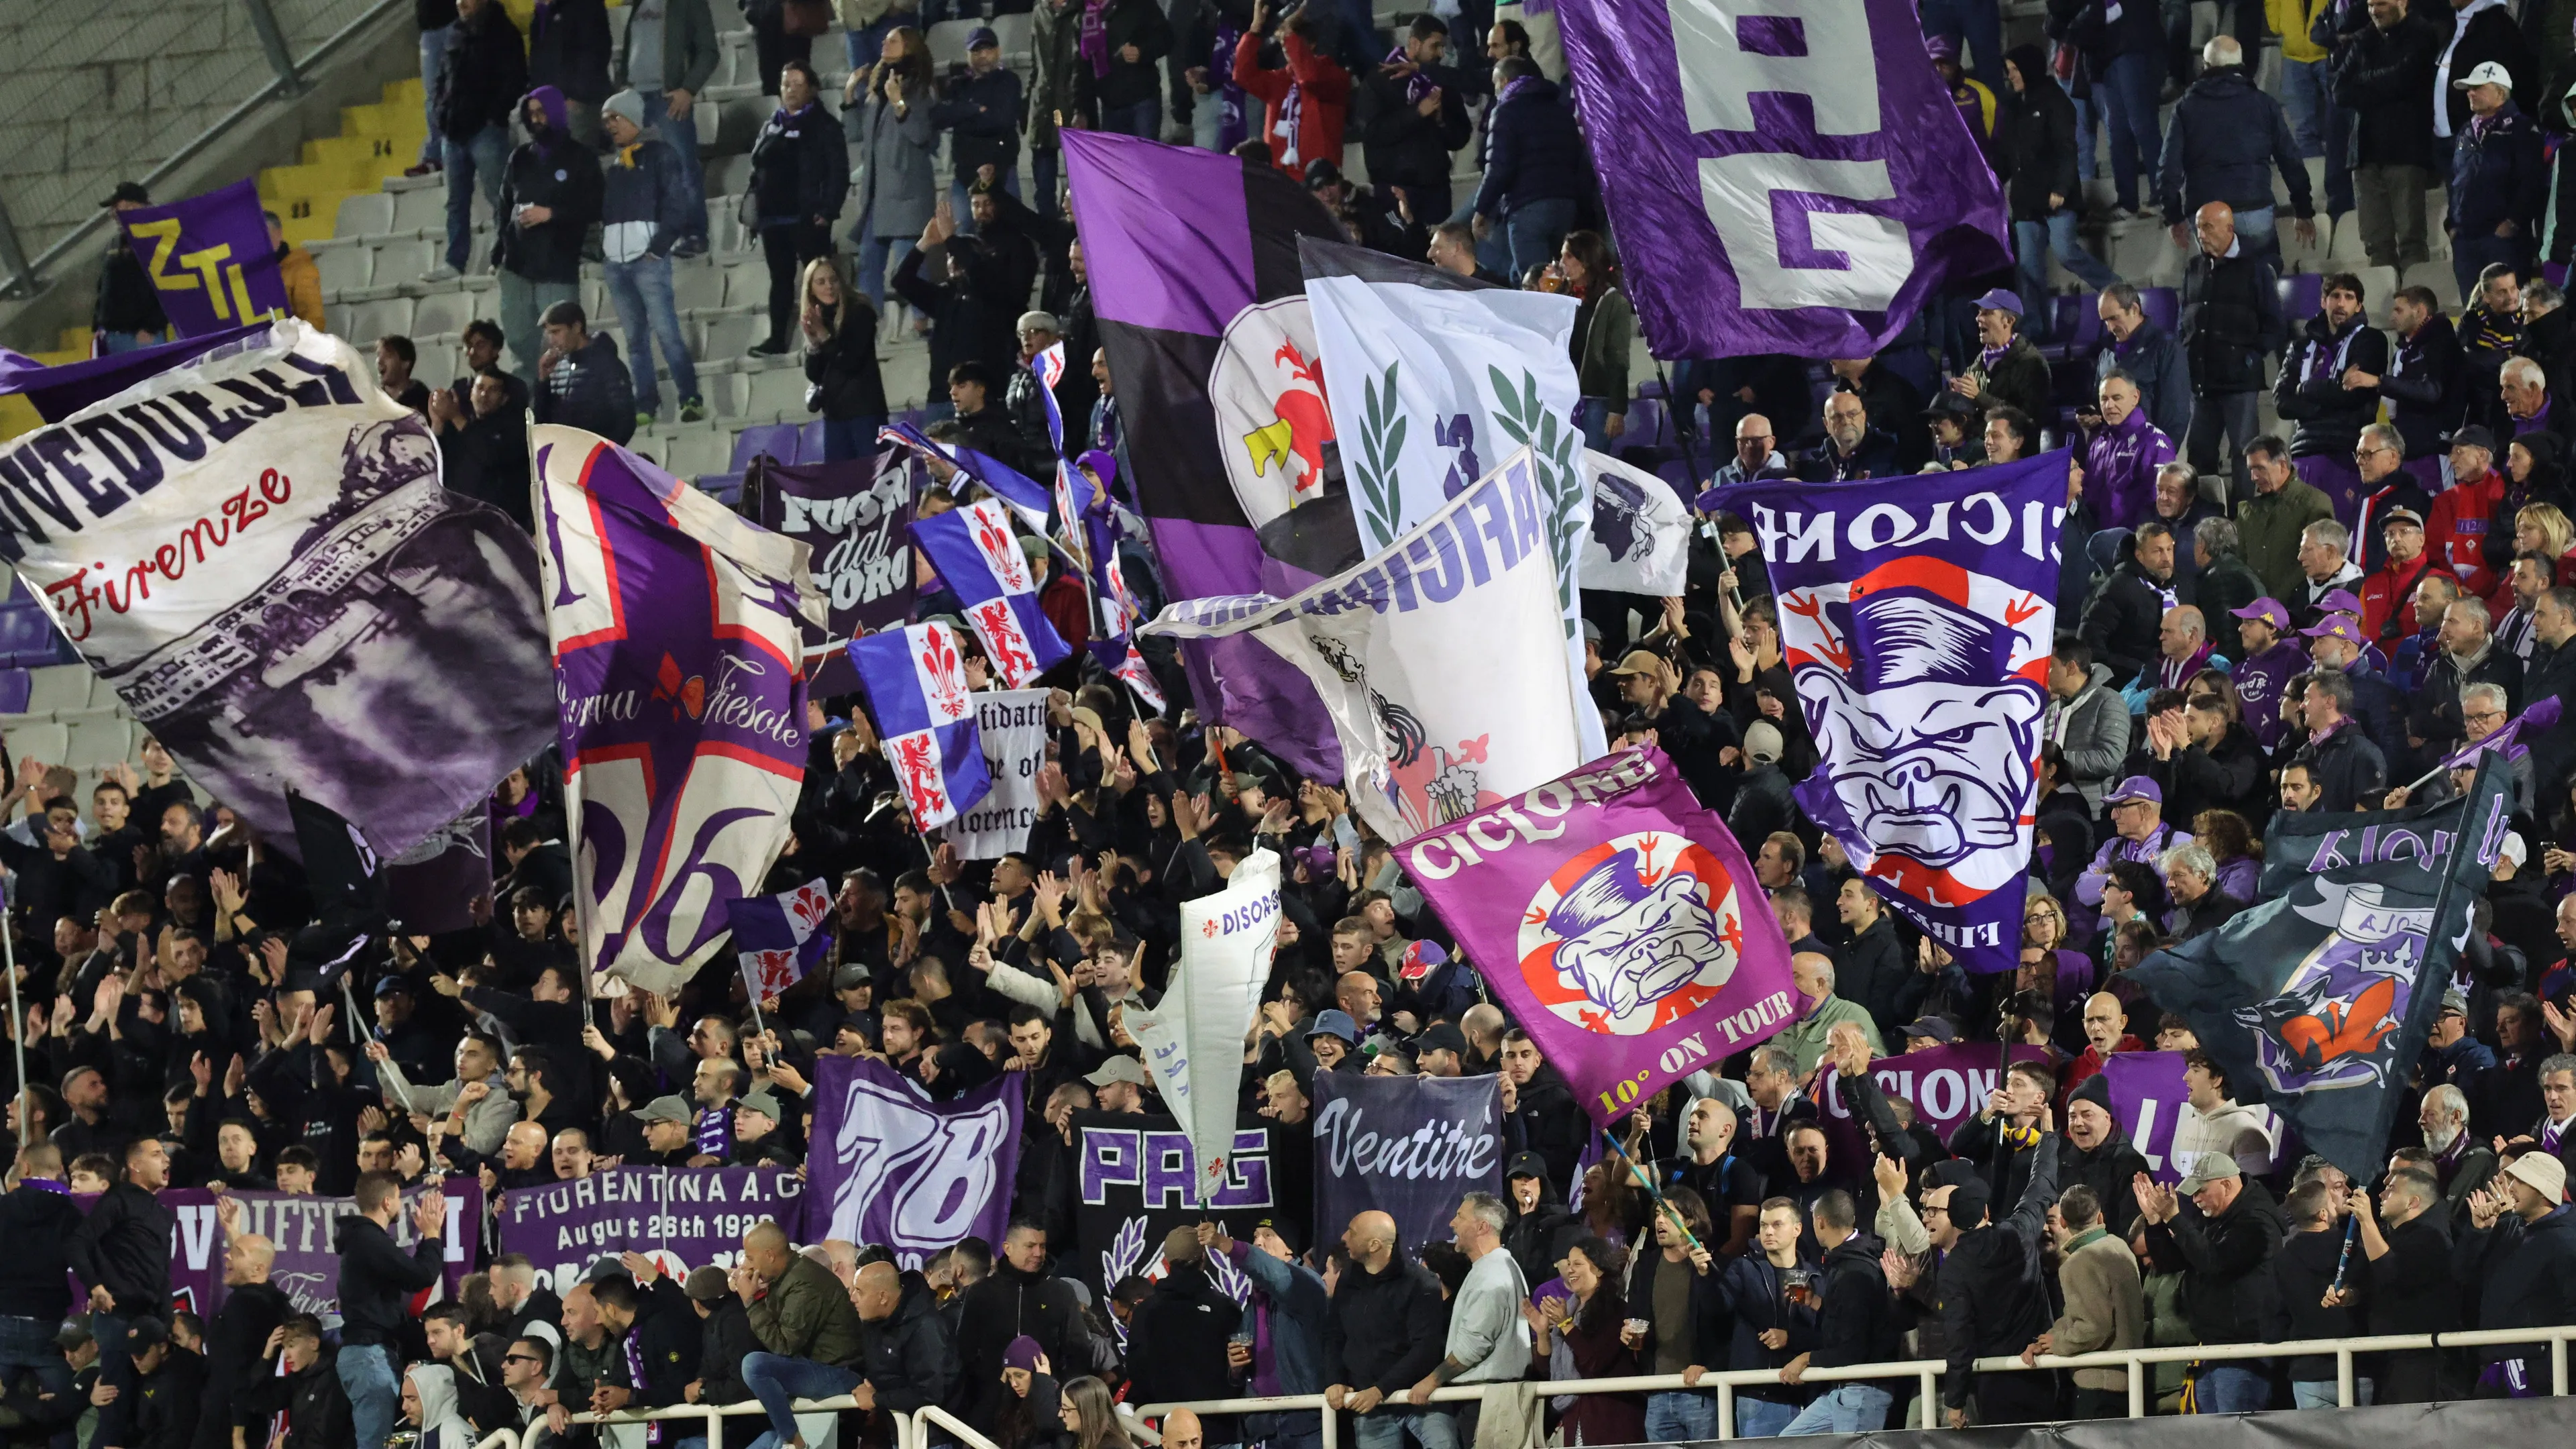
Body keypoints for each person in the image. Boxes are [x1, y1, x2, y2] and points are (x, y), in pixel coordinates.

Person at [1929, 1122, 2060, 1427]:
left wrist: (1955, 1404)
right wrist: (2049, 1136)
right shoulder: (2021, 1232)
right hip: (2042, 1373)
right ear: (1986, 1213)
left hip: (1995, 1383)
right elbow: (2042, 1184)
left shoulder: (1952, 1273)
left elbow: (1958, 1338)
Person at [598, 89, 706, 428]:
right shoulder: (613, 166)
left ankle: (690, 396)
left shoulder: (661, 154)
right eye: (606, 121)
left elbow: (677, 204)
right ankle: (645, 401)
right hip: (617, 264)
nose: (610, 126)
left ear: (632, 117)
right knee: (634, 339)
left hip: (648, 261)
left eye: (615, 118)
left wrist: (657, 250)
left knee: (666, 333)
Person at [2159, 37, 2318, 264]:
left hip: (2208, 214)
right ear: (2241, 65)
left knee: (2223, 291)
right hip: (2255, 211)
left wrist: (2174, 217)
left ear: (2206, 67)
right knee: (2264, 284)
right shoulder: (2264, 104)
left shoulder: (2186, 108)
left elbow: (2168, 170)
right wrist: (2303, 209)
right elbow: (2290, 161)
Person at [334, 1171, 449, 1449]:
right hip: (369, 1356)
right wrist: (432, 1235)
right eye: (398, 1199)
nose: (400, 1205)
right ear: (387, 1203)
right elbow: (420, 1276)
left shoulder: (362, 1240)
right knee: (376, 1444)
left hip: (366, 1354)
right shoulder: (368, 1239)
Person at [2180, 202, 2287, 495]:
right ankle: (2205, 524)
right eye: (2199, 227)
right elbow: (2184, 320)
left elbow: (2275, 326)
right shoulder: (2193, 268)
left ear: (2230, 228)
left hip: (2239, 383)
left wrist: (2250, 359)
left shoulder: (2256, 269)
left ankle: (2242, 521)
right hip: (2201, 383)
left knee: (2244, 456)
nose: (2201, 234)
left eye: (2208, 226)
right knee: (2199, 456)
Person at [1997, 46, 2118, 304]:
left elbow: (2066, 148)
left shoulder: (2055, 100)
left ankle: (2118, 291)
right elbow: (2007, 154)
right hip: (2025, 201)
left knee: (2066, 253)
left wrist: (2062, 189)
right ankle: (2036, 329)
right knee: (2029, 270)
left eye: (2016, 70)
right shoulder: (2010, 106)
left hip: (2056, 197)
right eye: (2009, 71)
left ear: (2029, 70)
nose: (2011, 76)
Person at [493, 86, 601, 372]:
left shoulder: (580, 158)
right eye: (531, 114)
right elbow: (504, 207)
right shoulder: (520, 158)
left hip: (557, 265)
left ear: (555, 113)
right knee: (519, 341)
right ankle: (531, 409)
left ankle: (565, 407)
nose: (537, 120)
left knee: (561, 347)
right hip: (517, 265)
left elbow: (594, 206)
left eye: (542, 112)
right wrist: (499, 254)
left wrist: (551, 214)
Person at [748, 60, 848, 358]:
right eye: (785, 84)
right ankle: (778, 339)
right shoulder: (772, 124)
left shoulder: (824, 125)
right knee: (780, 280)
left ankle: (832, 333)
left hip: (808, 217)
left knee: (821, 280)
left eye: (797, 84)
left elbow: (838, 172)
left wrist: (828, 210)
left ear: (812, 89)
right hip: (774, 219)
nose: (789, 90)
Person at [2333, 0, 2443, 271]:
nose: (2374, 11)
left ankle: (2417, 308)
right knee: (2376, 245)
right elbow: (2339, 91)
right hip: (2364, 155)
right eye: (2371, 5)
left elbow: (2404, 79)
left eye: (2381, 4)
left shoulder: (2422, 34)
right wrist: (2384, 85)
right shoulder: (2363, 37)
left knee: (2411, 242)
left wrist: (2364, 81)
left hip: (2406, 153)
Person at [2455, 1152, 2576, 1396]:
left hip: (2540, 1380)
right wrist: (2478, 1232)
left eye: (2519, 1182)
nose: (2509, 1189)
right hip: (2493, 1365)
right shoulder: (2506, 1227)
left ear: (2544, 1190)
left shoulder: (2568, 1240)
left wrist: (2543, 1374)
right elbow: (2461, 1276)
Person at [2275, 273, 2387, 525]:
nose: (2341, 303)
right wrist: (2333, 393)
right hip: (2303, 451)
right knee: (2300, 537)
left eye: (2349, 298)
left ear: (2359, 306)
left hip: (2345, 451)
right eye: (2335, 296)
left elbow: (2356, 396)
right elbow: (2282, 403)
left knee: (2338, 533)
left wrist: (2305, 390)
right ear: (2323, 301)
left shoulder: (2371, 340)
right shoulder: (2301, 347)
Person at [610, 0, 718, 258]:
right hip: (634, 98)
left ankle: (693, 234)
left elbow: (709, 52)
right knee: (638, 171)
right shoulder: (639, 3)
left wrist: (688, 89)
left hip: (667, 97)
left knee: (681, 167)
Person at [429, 0, 527, 283]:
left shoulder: (503, 32)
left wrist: (493, 117)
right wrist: (441, 113)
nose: (461, 3)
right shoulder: (454, 33)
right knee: (455, 201)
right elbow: (441, 79)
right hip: (453, 132)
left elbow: (515, 77)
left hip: (486, 132)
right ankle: (454, 262)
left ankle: (503, 257)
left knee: (500, 197)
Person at [846, 29, 938, 314]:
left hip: (908, 192)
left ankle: (923, 325)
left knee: (910, 266)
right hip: (877, 195)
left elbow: (923, 135)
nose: (884, 43)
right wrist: (850, 93)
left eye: (893, 40)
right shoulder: (878, 89)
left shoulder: (922, 89)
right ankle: (868, 324)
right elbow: (856, 134)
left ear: (910, 47)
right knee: (868, 263)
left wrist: (899, 102)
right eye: (884, 40)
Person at [2033, 1182, 2143, 1419]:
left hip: (2100, 1386)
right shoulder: (2120, 1247)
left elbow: (2094, 1326)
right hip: (2129, 1381)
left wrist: (2058, 1343)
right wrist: (2051, 1336)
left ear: (2063, 1222)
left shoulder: (2079, 1261)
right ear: (2100, 1216)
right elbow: (2080, 1314)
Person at [1470, 56, 1584, 280]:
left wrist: (1481, 210)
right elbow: (1576, 156)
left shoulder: (1505, 112)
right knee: (1550, 277)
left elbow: (1499, 168)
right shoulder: (1560, 111)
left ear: (1504, 82)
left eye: (1495, 84)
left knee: (1539, 284)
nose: (1495, 90)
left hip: (1528, 208)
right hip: (1566, 205)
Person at [2447, 61, 2547, 305]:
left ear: (2500, 93)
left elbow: (2531, 181)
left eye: (2478, 87)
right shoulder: (2465, 131)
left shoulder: (2523, 129)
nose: (2470, 93)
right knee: (2473, 315)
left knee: (2510, 312)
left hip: (2504, 240)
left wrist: (2513, 222)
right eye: (2469, 88)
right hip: (2466, 239)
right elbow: (2456, 180)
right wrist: (2452, 224)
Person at [1234, 1, 1351, 178]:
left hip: (1320, 181)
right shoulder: (1279, 80)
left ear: (1311, 45)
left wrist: (1289, 32)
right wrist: (1255, 29)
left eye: (1291, 42)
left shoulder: (1334, 76)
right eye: (1284, 44)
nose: (1286, 48)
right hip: (1281, 177)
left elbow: (1310, 78)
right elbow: (1242, 75)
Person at [798, 255, 888, 464]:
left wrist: (824, 336)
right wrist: (813, 344)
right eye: (821, 282)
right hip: (835, 415)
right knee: (840, 485)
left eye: (833, 280)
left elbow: (850, 362)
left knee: (872, 481)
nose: (829, 287)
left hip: (865, 413)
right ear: (811, 289)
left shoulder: (860, 311)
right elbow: (815, 374)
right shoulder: (818, 318)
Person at [933, 29, 1026, 229]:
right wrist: (975, 109)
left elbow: (1003, 120)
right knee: (963, 233)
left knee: (1012, 232)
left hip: (1001, 171)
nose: (983, 56)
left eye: (988, 50)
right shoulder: (957, 85)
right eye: (976, 51)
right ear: (967, 55)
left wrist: (962, 116)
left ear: (998, 51)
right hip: (966, 175)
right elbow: (939, 117)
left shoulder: (1009, 81)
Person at [2098, 284, 2195, 446]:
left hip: (2149, 456)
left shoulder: (2166, 347)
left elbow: (2175, 413)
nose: (2110, 328)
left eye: (2114, 318)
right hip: (2113, 457)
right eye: (2105, 321)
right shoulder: (2106, 355)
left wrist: (2160, 454)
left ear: (2134, 309)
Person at [1562, 232, 1633, 454]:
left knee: (1590, 464)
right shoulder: (1561, 297)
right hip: (1563, 398)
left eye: (1567, 257)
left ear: (1584, 262)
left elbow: (1618, 358)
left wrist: (1617, 409)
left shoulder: (1613, 302)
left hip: (1595, 401)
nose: (1561, 263)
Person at [530, 301, 637, 445]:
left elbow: (626, 420)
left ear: (576, 327)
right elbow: (542, 422)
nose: (552, 340)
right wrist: (543, 381)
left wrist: (604, 455)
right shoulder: (556, 368)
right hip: (566, 459)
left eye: (556, 332)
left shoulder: (608, 365)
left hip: (597, 460)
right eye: (549, 333)